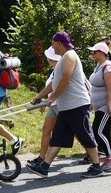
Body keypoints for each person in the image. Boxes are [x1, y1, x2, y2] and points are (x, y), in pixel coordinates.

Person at [27, 31, 103, 178]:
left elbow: (65, 80)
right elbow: (54, 83)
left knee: (85, 135)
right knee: (58, 137)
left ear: (59, 43)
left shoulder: (69, 56)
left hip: (76, 105)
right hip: (66, 107)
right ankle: (44, 166)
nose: (52, 45)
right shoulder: (63, 58)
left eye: (53, 42)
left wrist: (52, 98)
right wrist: (40, 96)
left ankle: (96, 166)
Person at [27, 47, 61, 165]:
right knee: (46, 130)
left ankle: (92, 153)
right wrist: (44, 100)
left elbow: (57, 87)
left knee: (77, 132)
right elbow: (50, 87)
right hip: (53, 104)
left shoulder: (60, 68)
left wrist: (44, 99)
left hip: (61, 105)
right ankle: (41, 157)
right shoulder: (54, 70)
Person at [88, 41, 111, 171]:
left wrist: (109, 106)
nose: (93, 54)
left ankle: (110, 157)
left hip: (105, 107)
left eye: (94, 52)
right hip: (99, 106)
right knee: (103, 132)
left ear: (101, 53)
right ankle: (108, 159)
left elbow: (110, 87)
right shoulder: (99, 66)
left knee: (97, 131)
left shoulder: (108, 67)